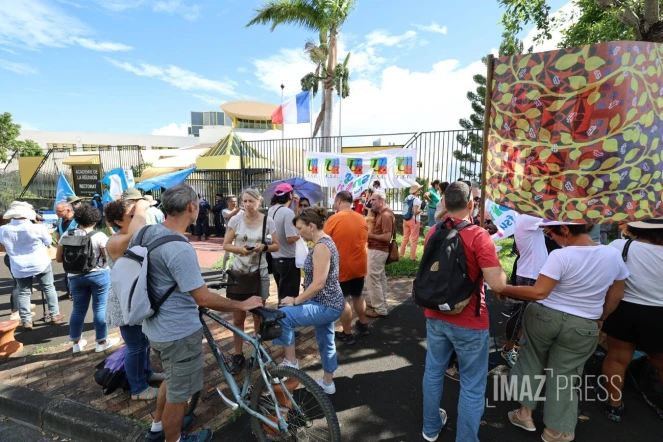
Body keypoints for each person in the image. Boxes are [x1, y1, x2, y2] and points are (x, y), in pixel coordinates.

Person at [129, 185, 261, 442]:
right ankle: (175, 438)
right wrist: (243, 305)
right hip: (178, 332)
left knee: (172, 377)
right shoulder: (179, 248)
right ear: (192, 207)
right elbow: (202, 297)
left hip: (153, 326)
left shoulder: (145, 233)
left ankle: (158, 427)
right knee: (180, 395)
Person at [494, 221, 628, 442]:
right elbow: (616, 294)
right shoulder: (612, 255)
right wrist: (601, 317)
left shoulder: (560, 256)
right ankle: (556, 431)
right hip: (584, 324)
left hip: (544, 317)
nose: (549, 235)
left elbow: (539, 292)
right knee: (566, 373)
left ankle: (524, 414)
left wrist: (503, 289)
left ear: (565, 229)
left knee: (531, 360)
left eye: (551, 231)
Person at [420, 182, 507, 442]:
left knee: (433, 372)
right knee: (472, 384)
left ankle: (430, 427)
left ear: (444, 203)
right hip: (470, 320)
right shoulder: (479, 236)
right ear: (472, 204)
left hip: (435, 315)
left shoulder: (433, 232)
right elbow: (498, 284)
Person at [276, 207, 345, 394]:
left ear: (311, 226)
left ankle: (290, 363)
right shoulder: (324, 241)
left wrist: (296, 300)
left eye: (300, 228)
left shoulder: (322, 246)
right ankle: (328, 382)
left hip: (326, 304)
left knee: (283, 316)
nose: (298, 232)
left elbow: (319, 283)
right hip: (330, 302)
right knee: (326, 339)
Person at [602, 216, 663, 423]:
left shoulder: (621, 245)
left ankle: (614, 404)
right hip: (659, 314)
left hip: (624, 309)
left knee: (617, 358)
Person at [104, 199, 165, 401]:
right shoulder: (116, 240)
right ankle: (138, 388)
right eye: (130, 216)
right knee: (136, 346)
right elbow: (137, 230)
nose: (137, 218)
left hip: (135, 297)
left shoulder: (125, 236)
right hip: (126, 301)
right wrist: (140, 205)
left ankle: (145, 374)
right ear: (118, 221)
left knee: (143, 343)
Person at [223, 188, 279, 373]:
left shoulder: (268, 221)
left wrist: (264, 247)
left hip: (260, 272)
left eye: (250, 201)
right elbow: (226, 244)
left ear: (259, 202)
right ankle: (238, 355)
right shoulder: (236, 220)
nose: (247, 205)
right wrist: (241, 250)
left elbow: (276, 246)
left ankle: (258, 348)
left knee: (258, 315)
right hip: (239, 273)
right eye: (244, 201)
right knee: (238, 316)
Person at [56, 205, 118, 354]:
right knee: (100, 308)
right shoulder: (99, 236)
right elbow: (107, 259)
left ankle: (76, 343)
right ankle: (101, 341)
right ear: (95, 220)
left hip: (75, 277)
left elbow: (58, 259)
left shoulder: (66, 235)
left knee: (78, 309)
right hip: (99, 275)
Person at [0, 201, 63, 331]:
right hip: (40, 262)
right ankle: (54, 315)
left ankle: (26, 320)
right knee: (48, 287)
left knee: (23, 292)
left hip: (18, 265)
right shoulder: (37, 228)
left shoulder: (3, 229)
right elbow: (48, 241)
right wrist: (38, 224)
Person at [501, 214, 549, 367]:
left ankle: (516, 347)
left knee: (525, 316)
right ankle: (508, 349)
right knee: (520, 316)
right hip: (530, 274)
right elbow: (554, 221)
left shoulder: (530, 218)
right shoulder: (528, 218)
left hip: (533, 272)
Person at [325, 191, 370, 345]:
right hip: (359, 264)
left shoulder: (333, 219)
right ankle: (364, 324)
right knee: (358, 295)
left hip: (342, 266)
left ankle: (347, 333)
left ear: (338, 201)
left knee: (344, 300)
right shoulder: (361, 218)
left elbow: (324, 241)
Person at [267, 183, 301, 301]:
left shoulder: (271, 210)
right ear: (290, 195)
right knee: (289, 299)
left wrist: (295, 208)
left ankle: (281, 317)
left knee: (282, 295)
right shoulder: (287, 213)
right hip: (288, 261)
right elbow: (290, 238)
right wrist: (301, 235)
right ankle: (285, 319)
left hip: (276, 259)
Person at [365, 191, 395, 318]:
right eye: (371, 200)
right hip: (377, 250)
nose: (370, 202)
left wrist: (370, 236)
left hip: (378, 250)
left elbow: (387, 237)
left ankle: (379, 308)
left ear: (381, 200)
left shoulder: (386, 215)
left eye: (373, 200)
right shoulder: (381, 213)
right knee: (379, 277)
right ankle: (379, 303)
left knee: (373, 279)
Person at [55, 200, 78, 299]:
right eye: (56, 211)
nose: (57, 213)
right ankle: (70, 292)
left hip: (76, 250)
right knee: (67, 272)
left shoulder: (77, 220)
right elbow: (57, 232)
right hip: (64, 250)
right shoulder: (60, 221)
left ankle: (75, 292)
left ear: (68, 210)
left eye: (59, 211)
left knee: (76, 272)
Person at [219, 195, 241, 275]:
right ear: (228, 202)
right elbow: (229, 215)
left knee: (238, 254)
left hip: (239, 235)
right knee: (227, 254)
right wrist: (239, 209)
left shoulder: (241, 212)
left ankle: (236, 270)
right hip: (229, 235)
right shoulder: (225, 211)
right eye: (232, 201)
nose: (234, 203)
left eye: (235, 201)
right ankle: (224, 271)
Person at [400, 183, 423, 261]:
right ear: (416, 191)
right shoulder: (416, 199)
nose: (420, 190)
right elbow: (415, 212)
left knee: (405, 238)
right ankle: (412, 258)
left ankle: (401, 255)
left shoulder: (407, 198)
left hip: (405, 219)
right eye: (419, 189)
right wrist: (422, 209)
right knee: (414, 240)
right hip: (414, 221)